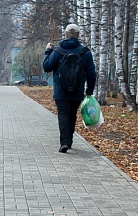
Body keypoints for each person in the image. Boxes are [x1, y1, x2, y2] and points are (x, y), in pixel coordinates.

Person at [42, 24, 96, 153]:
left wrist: (48, 51)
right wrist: (89, 90)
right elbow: (91, 74)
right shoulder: (85, 52)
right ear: (78, 35)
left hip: (61, 91)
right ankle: (69, 141)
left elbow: (46, 67)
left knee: (63, 115)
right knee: (72, 115)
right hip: (77, 91)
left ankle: (64, 142)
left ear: (65, 34)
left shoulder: (57, 51)